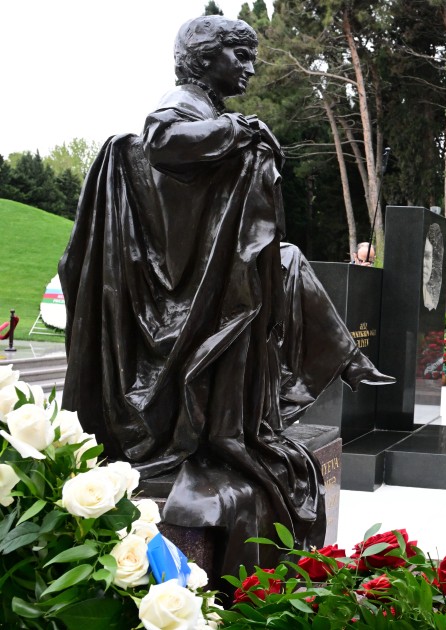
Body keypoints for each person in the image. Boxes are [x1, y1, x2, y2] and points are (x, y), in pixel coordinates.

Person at [59, 16, 393, 579]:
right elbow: (161, 141)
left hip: (199, 276)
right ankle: (345, 362)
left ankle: (347, 361)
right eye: (239, 54)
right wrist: (241, 131)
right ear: (204, 57)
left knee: (285, 260)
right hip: (180, 289)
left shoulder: (208, 108)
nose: (251, 66)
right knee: (284, 260)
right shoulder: (182, 104)